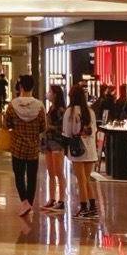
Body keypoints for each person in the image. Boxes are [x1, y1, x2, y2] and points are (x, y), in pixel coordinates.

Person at [3, 77, 45, 217]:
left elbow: (6, 124)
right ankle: (29, 203)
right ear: (32, 87)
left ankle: (24, 202)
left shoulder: (12, 105)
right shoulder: (39, 106)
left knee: (19, 175)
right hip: (33, 147)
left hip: (17, 147)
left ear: (20, 87)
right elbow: (43, 126)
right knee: (32, 176)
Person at [64, 84, 97, 219]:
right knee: (87, 179)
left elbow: (67, 132)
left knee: (81, 180)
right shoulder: (90, 111)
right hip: (90, 149)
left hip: (77, 149)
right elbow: (94, 130)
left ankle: (83, 207)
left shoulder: (70, 112)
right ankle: (93, 207)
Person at [39, 84, 69, 213]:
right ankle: (52, 199)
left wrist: (49, 127)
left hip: (57, 143)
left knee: (59, 172)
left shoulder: (60, 110)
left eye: (50, 92)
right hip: (49, 143)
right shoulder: (51, 108)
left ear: (55, 94)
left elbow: (62, 128)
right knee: (51, 172)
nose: (48, 94)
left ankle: (61, 200)